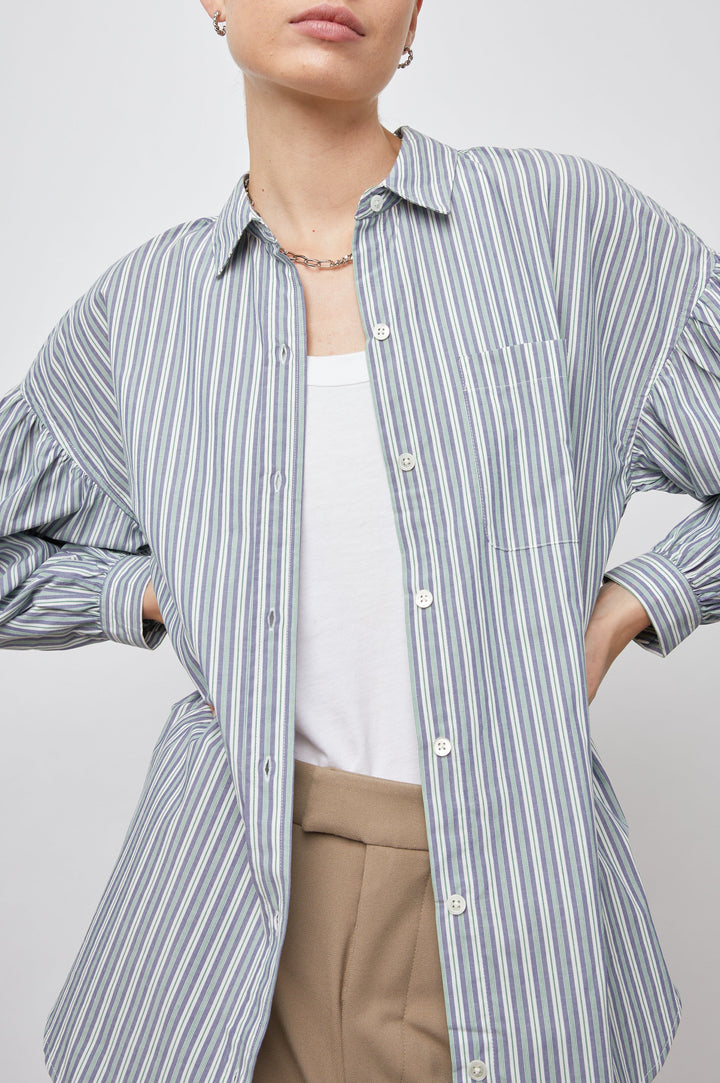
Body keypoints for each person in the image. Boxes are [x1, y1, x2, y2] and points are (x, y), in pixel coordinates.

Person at [1, 1, 718, 1080]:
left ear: (416, 9)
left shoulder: (560, 229)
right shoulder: (142, 317)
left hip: (512, 914)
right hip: (224, 929)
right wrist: (152, 593)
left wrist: (636, 604)